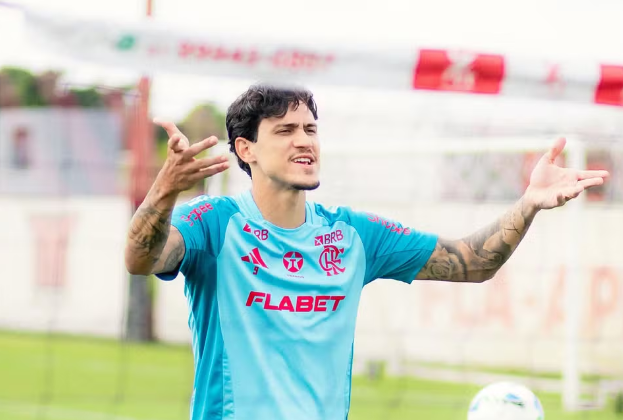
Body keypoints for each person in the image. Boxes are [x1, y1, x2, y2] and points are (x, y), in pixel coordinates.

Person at [124, 84, 609, 420]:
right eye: (285, 130)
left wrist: (529, 203)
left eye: (310, 129)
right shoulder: (213, 223)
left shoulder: (352, 234)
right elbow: (140, 258)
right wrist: (164, 191)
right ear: (246, 149)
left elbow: (473, 261)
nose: (304, 141)